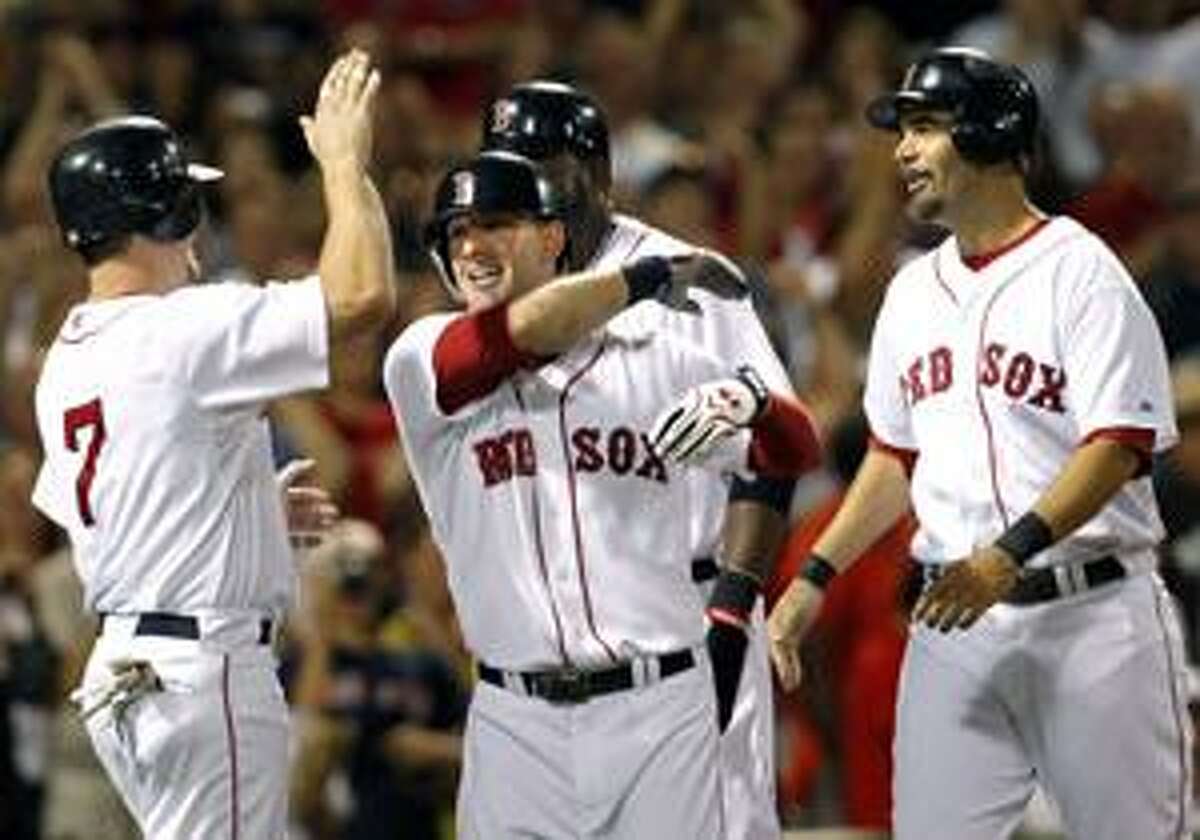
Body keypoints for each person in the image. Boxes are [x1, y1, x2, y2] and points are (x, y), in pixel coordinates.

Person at [767, 47, 1193, 840]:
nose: (901, 149)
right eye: (903, 130)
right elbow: (893, 457)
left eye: (923, 127)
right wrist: (816, 576)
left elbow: (1119, 444)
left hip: (1091, 612)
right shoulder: (911, 292)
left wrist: (1007, 553)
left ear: (991, 134)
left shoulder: (1081, 271)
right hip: (955, 624)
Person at [382, 149, 821, 838]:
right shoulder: (421, 363)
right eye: (454, 232)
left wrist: (756, 402)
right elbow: (523, 330)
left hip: (659, 708)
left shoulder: (652, 359)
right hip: (511, 720)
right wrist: (647, 277)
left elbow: (796, 451)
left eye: (496, 224)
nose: (471, 246)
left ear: (552, 237)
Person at [29, 49, 395, 839]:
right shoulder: (183, 327)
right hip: (202, 671)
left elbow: (113, 510)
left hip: (128, 674)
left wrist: (246, 515)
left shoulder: (65, 357)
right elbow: (363, 296)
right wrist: (343, 164)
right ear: (164, 215)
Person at [481, 80, 799, 840]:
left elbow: (773, 448)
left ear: (597, 173)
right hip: (552, 636)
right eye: (509, 165)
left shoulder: (687, 277)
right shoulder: (497, 288)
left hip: (685, 608)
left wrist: (730, 611)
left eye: (543, 164)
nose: (526, 186)